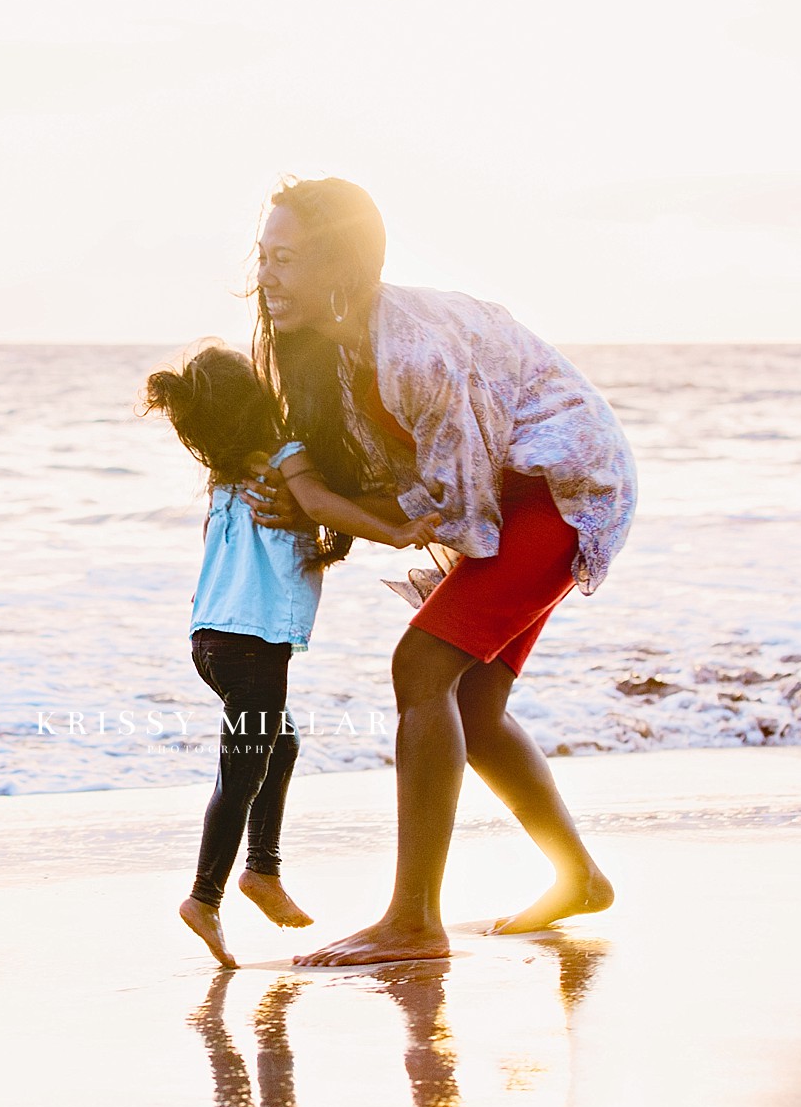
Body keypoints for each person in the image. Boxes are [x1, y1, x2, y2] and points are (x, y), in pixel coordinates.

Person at [244, 177, 637, 966]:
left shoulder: (413, 347)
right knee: (476, 705)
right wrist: (309, 497)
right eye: (263, 257)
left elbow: (451, 508)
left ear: (341, 271)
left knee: (422, 666)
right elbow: (407, 485)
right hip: (511, 492)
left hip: (564, 485)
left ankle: (414, 920)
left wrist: (324, 509)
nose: (268, 276)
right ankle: (581, 879)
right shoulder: (325, 351)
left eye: (286, 259)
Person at [143, 344, 440, 968]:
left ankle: (262, 872)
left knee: (280, 743)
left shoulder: (225, 476)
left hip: (211, 642)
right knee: (244, 769)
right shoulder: (283, 456)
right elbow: (324, 505)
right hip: (251, 644)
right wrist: (395, 531)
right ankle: (206, 895)